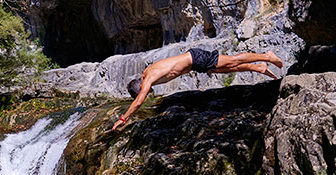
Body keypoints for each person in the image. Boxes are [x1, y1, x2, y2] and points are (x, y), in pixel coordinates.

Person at [111, 48, 283, 131]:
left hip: (195, 58)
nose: (148, 93)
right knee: (227, 69)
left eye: (145, 91)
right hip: (194, 64)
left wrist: (123, 119)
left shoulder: (147, 79)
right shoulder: (147, 72)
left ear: (141, 86)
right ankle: (258, 67)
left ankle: (267, 56)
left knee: (232, 61)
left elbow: (138, 101)